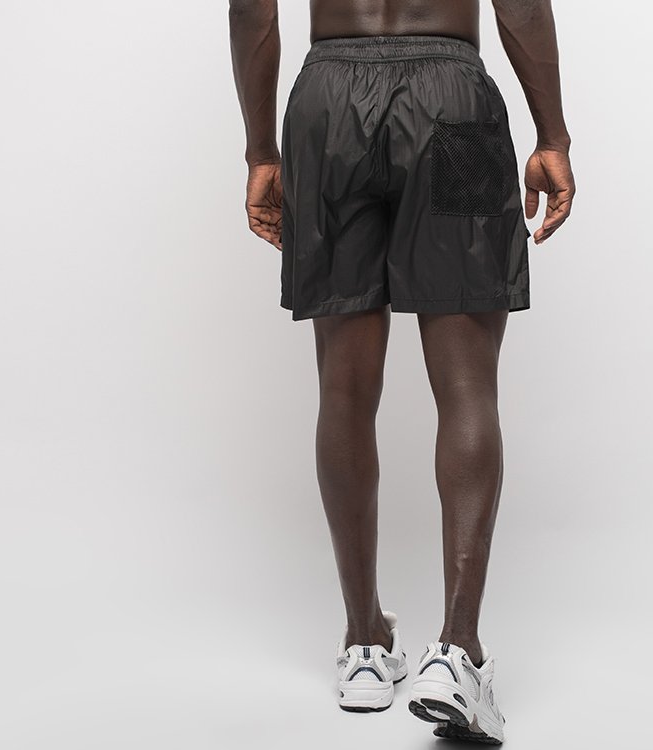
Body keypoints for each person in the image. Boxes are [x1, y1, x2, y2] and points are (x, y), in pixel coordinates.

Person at [229, 0, 574, 742]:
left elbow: (251, 8)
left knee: (343, 388)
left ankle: (363, 645)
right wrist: (553, 135)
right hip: (453, 102)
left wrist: (262, 152)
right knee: (467, 387)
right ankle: (457, 653)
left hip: (327, 108)